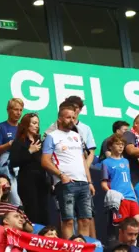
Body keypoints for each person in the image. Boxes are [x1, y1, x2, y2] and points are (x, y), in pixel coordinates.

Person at [41, 102, 94, 239]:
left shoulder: (77, 136)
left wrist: (90, 181)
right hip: (66, 183)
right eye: (68, 117)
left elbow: (82, 160)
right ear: (59, 119)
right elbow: (45, 161)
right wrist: (61, 175)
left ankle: (83, 249)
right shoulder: (52, 136)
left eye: (73, 117)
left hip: (83, 183)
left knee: (86, 219)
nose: (72, 120)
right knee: (68, 220)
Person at [8, 113, 49, 225]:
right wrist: (29, 151)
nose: (37, 126)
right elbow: (13, 162)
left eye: (38, 124)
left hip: (42, 181)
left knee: (44, 211)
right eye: (34, 123)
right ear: (26, 125)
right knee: (32, 211)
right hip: (27, 180)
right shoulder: (19, 142)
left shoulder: (40, 141)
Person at [101, 134, 139, 227]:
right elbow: (104, 183)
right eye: (117, 144)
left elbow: (128, 179)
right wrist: (112, 194)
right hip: (120, 198)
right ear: (110, 146)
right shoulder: (106, 162)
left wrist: (134, 195)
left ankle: (134, 241)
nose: (120, 146)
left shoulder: (126, 161)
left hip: (131, 197)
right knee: (124, 225)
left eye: (122, 144)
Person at [0, 98, 24, 206]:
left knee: (24, 194)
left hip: (22, 161)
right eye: (16, 109)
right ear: (8, 110)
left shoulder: (23, 127)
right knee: (14, 195)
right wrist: (9, 144)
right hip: (7, 162)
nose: (18, 113)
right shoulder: (1, 126)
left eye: (21, 110)